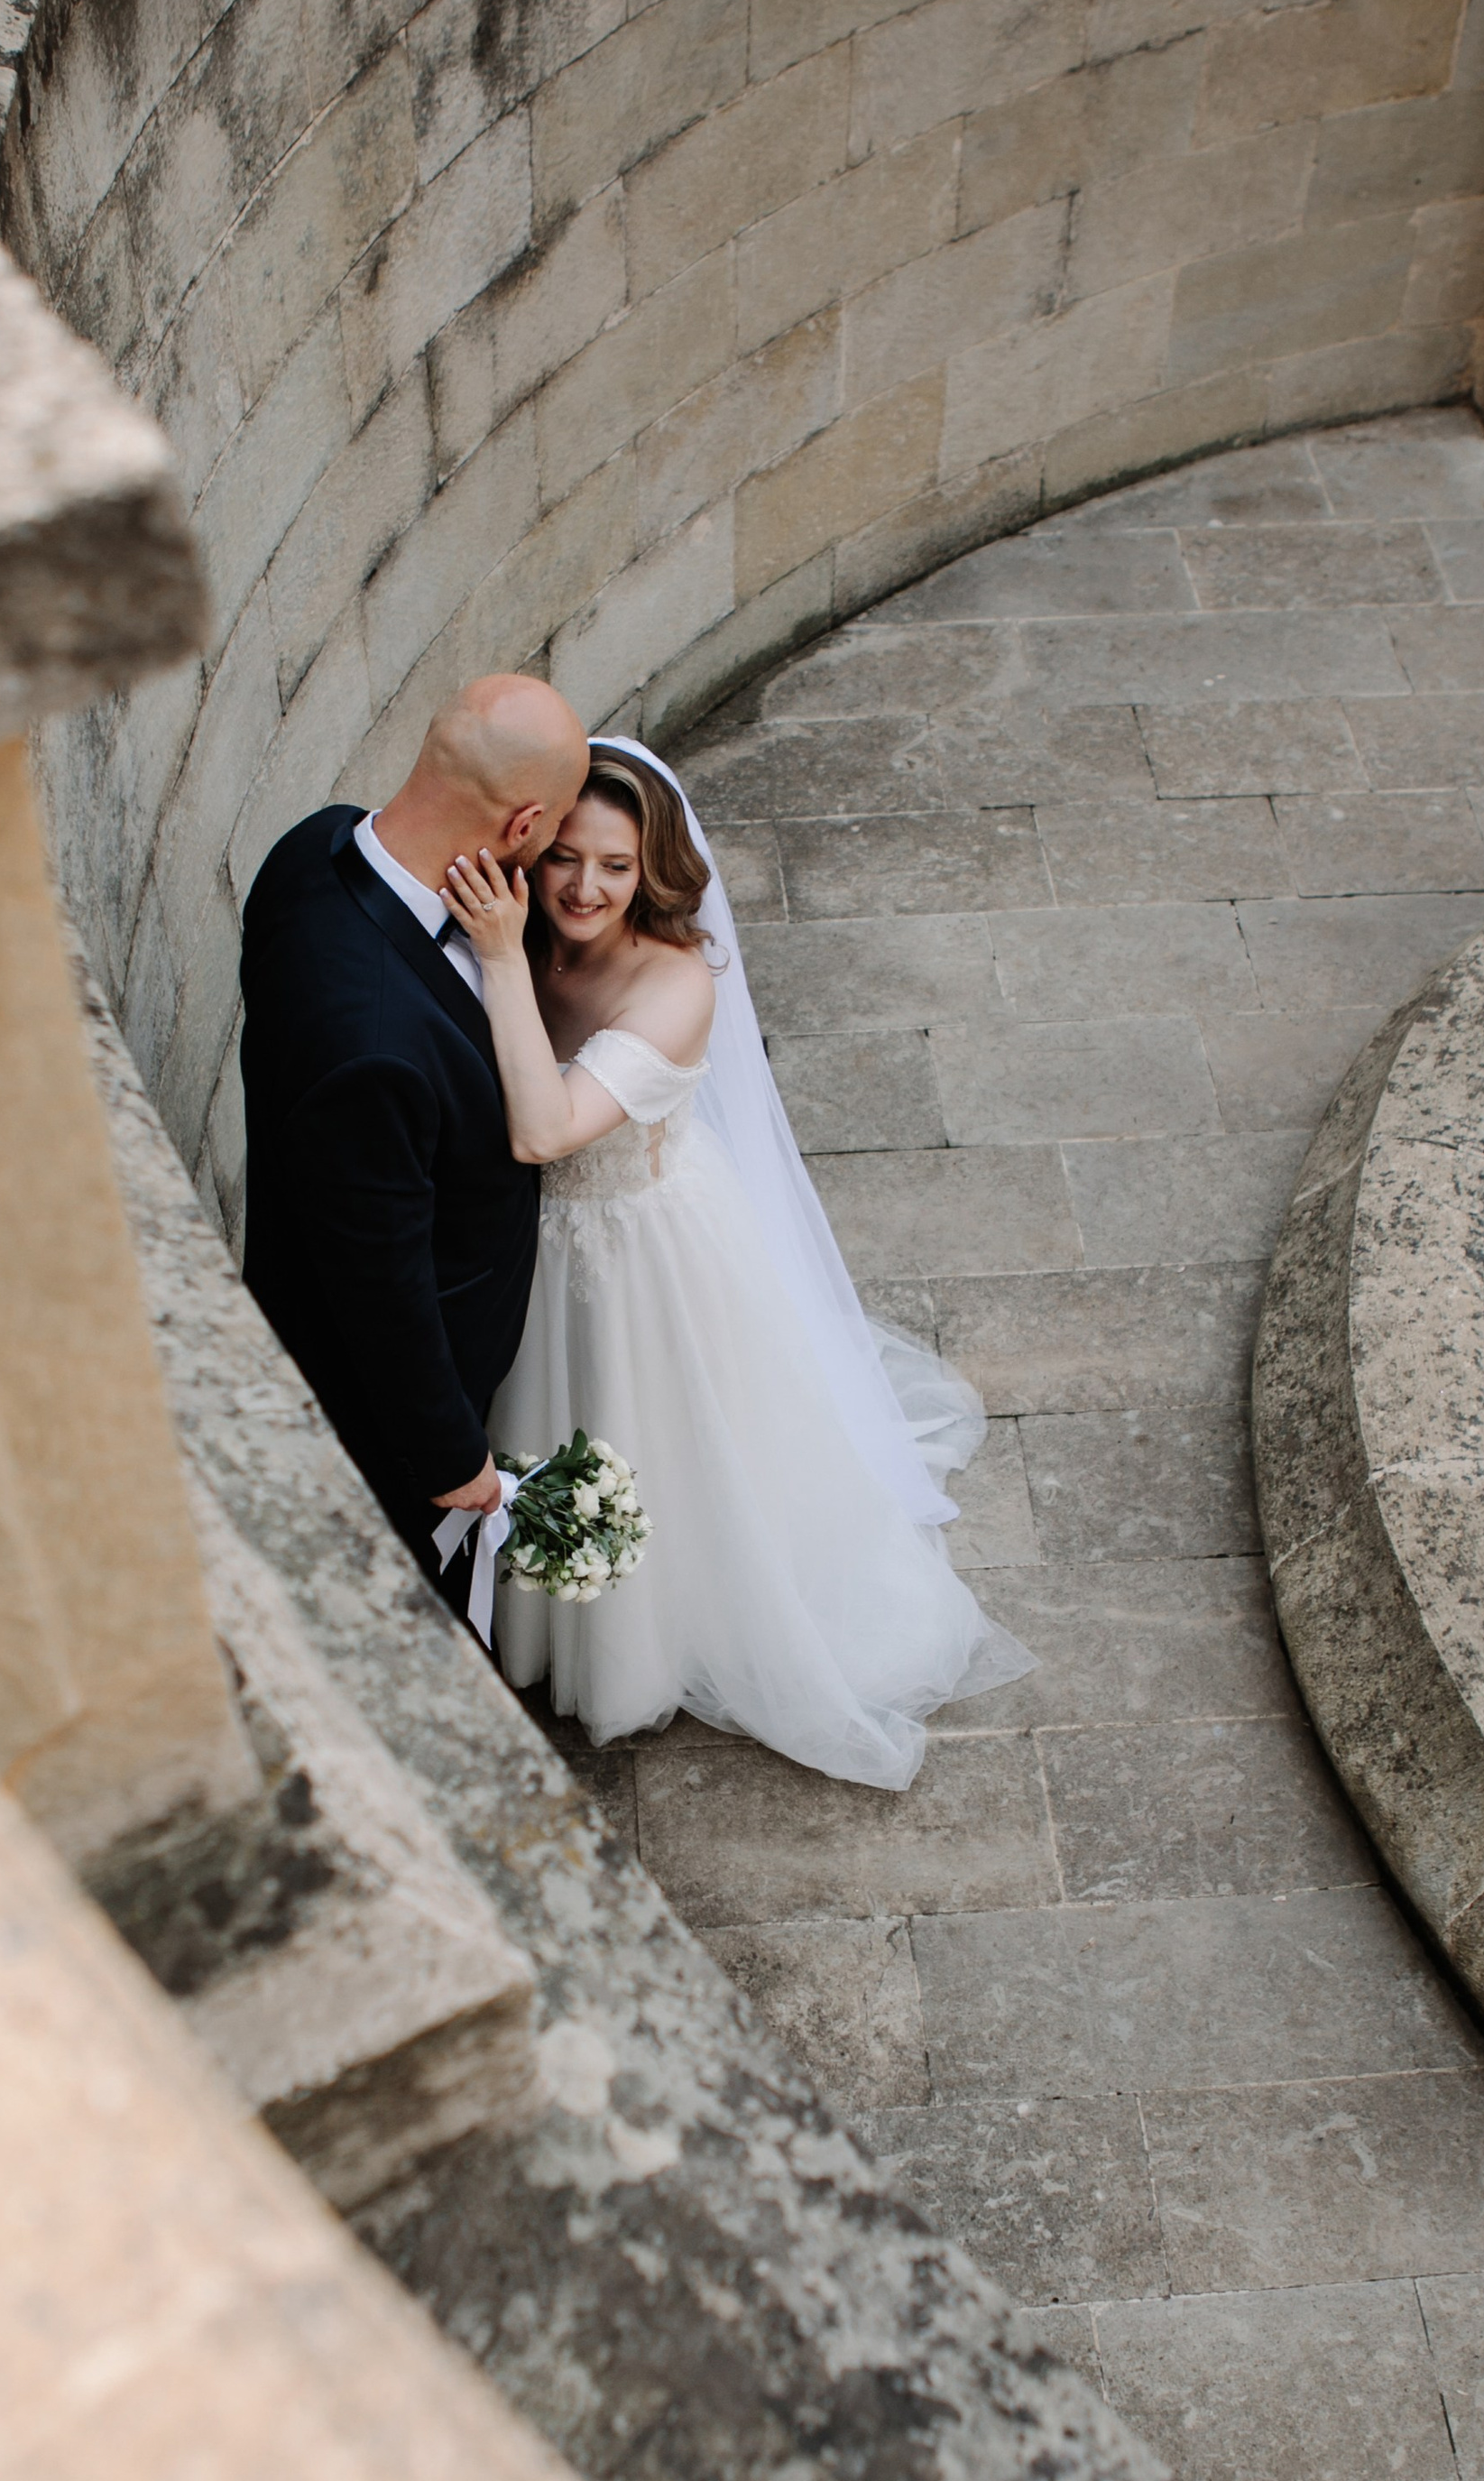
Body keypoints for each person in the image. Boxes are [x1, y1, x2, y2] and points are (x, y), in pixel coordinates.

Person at [439, 739, 1030, 1787]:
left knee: (665, 1442)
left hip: (641, 1251)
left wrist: (494, 957)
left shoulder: (672, 987)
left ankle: (640, 1651)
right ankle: (543, 1615)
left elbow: (542, 1130)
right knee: (544, 1424)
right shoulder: (536, 932)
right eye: (567, 856)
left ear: (651, 871)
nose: (584, 887)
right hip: (536, 1246)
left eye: (616, 867)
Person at [239, 673, 588, 1606]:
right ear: (521, 827)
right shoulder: (375, 1053)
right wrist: (449, 1454)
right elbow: (378, 1277)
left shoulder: (308, 849)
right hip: (382, 1413)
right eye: (554, 829)